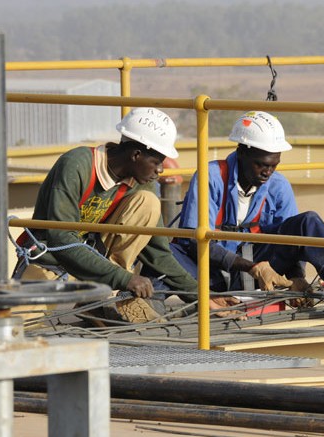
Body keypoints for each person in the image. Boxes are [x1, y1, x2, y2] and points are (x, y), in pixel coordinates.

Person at [170, 110, 324, 330]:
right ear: (242, 153)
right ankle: (146, 305)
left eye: (273, 165)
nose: (267, 172)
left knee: (308, 222)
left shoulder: (278, 186)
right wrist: (253, 268)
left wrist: (296, 277)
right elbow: (195, 240)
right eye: (261, 164)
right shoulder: (211, 177)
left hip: (256, 270)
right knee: (165, 251)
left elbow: (292, 241)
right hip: (209, 274)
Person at [12, 107, 236, 323]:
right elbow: (61, 239)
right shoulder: (77, 165)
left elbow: (159, 255)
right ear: (136, 155)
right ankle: (102, 292)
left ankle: (100, 299)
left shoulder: (138, 186)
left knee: (149, 203)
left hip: (96, 266)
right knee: (16, 330)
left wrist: (204, 297)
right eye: (157, 162)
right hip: (51, 262)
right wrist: (124, 279)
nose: (160, 171)